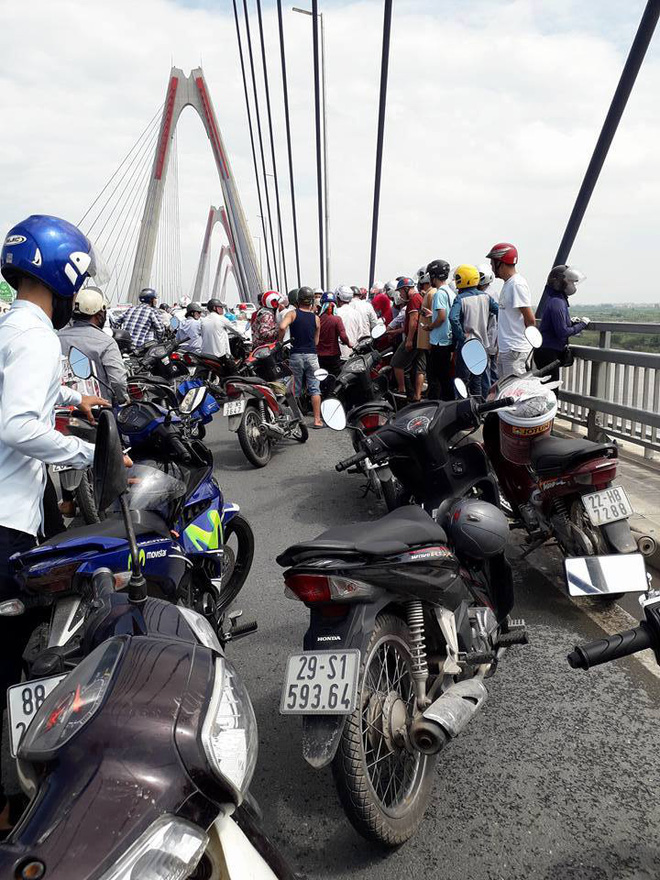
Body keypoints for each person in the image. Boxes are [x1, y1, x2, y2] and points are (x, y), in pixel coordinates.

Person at [0, 214, 114, 828]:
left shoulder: (13, 326)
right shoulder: (39, 336)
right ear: (65, 271)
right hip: (7, 515)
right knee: (12, 655)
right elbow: (16, 423)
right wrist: (85, 451)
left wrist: (74, 399)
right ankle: (14, 798)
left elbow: (27, 393)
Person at [59, 287, 128, 405]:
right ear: (100, 314)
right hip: (96, 410)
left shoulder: (56, 337)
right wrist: (123, 399)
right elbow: (118, 382)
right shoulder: (106, 342)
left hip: (59, 407)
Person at [486, 242, 535, 378]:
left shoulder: (517, 284)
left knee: (515, 392)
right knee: (505, 392)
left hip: (515, 350)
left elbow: (530, 320)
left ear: (500, 262)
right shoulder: (509, 284)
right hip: (507, 349)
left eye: (492, 263)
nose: (491, 267)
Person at [449, 264, 498, 397]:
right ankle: (480, 407)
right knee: (479, 380)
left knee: (462, 381)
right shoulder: (486, 297)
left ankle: (460, 407)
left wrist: (461, 336)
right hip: (482, 344)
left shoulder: (460, 298)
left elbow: (453, 318)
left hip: (467, 344)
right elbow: (499, 311)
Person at [278, 287, 323, 428]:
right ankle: (317, 420)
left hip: (296, 355)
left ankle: (297, 420)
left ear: (297, 300)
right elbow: (316, 341)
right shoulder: (316, 318)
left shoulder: (292, 314)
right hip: (312, 355)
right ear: (311, 301)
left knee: (294, 389)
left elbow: (281, 327)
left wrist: (280, 342)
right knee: (315, 388)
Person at [536, 265, 590, 382]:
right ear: (560, 282)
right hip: (548, 353)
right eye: (570, 281)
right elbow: (562, 332)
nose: (573, 285)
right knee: (551, 390)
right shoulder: (557, 302)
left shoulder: (557, 300)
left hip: (547, 351)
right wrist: (582, 325)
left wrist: (570, 322)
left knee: (549, 388)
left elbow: (557, 324)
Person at [425, 259, 454, 400]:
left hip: (439, 343)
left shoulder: (439, 293)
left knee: (435, 377)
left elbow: (442, 317)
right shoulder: (450, 292)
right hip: (448, 341)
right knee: (445, 377)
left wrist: (430, 326)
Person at [391, 277, 423, 400]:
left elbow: (414, 320)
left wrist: (409, 340)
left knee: (396, 362)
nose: (400, 294)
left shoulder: (414, 299)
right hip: (419, 338)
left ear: (405, 289)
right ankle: (417, 395)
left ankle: (402, 390)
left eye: (401, 291)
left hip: (413, 338)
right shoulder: (418, 297)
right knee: (418, 368)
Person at [317, 291, 351, 376]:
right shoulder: (337, 319)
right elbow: (343, 337)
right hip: (333, 356)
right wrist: (349, 344)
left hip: (319, 356)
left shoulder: (317, 319)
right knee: (335, 379)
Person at [478, 264, 499, 384]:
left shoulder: (487, 295)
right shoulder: (491, 292)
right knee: (492, 369)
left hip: (489, 335)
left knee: (488, 370)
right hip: (491, 335)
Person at [336, 285, 362, 359]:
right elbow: (360, 333)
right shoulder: (356, 313)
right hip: (353, 353)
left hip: (339, 353)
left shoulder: (336, 312)